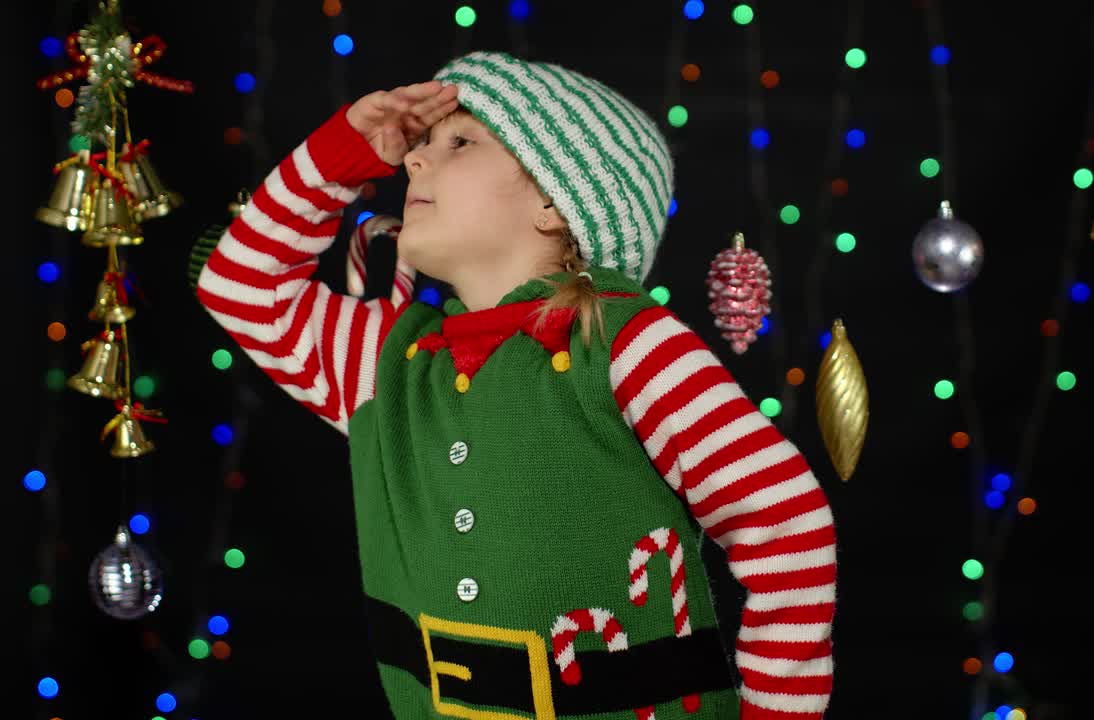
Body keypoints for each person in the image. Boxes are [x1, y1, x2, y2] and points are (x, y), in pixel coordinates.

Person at [195, 50, 837, 719]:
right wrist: (342, 154)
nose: (413, 160)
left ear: (557, 200)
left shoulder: (630, 346)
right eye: (420, 145)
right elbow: (239, 285)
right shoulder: (388, 363)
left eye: (461, 141)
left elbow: (785, 525)